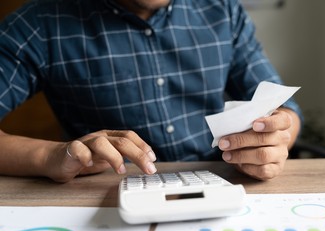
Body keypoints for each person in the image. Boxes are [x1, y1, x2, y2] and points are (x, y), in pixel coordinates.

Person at [0, 0, 302, 183]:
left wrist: (275, 139)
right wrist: (49, 156)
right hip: (108, 191)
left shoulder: (222, 10)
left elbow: (284, 111)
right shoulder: (39, 23)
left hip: (224, 183)